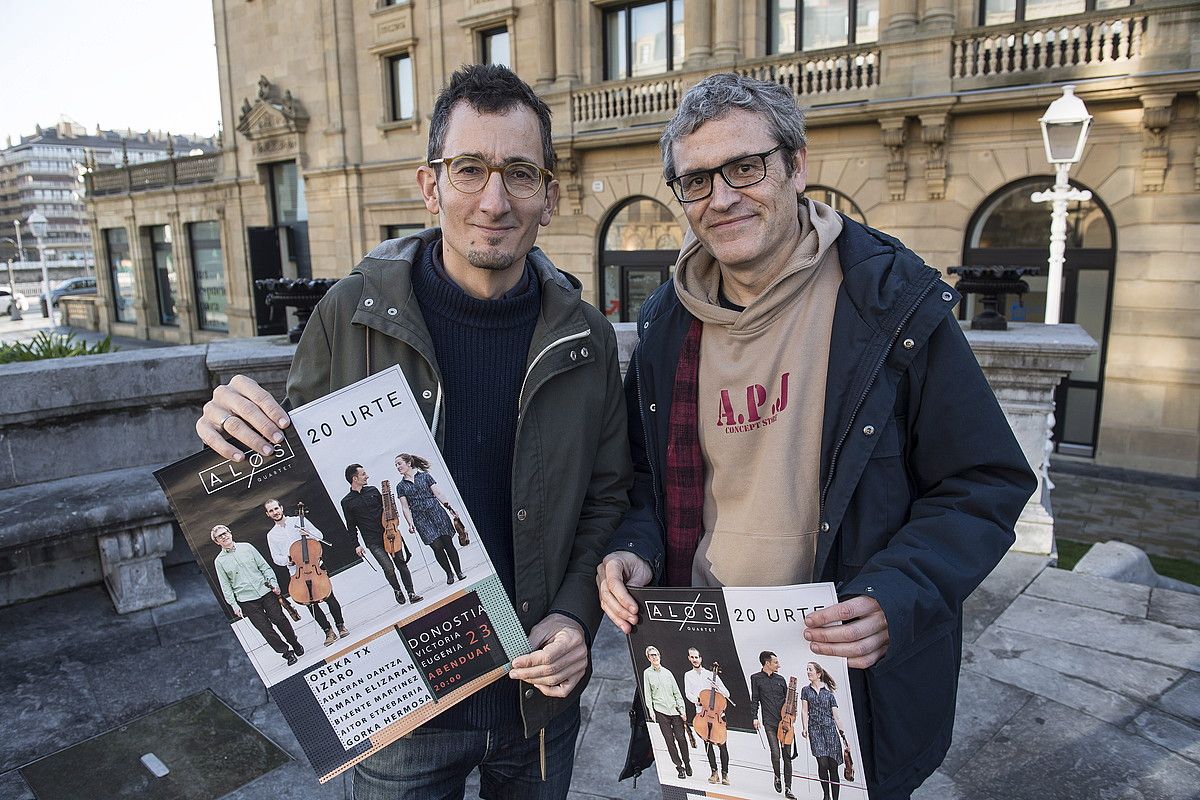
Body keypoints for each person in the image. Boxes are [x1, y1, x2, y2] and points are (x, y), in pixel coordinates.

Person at [195, 64, 630, 800]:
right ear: (430, 186)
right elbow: (289, 481)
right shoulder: (346, 314)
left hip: (537, 700)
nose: (494, 200)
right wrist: (233, 434)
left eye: (519, 174)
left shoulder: (586, 337)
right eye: (470, 169)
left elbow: (607, 497)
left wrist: (573, 614)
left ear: (549, 197)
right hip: (401, 709)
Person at [597, 72, 1037, 799]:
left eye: (746, 167)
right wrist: (633, 549)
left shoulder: (889, 302)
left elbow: (983, 482)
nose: (723, 197)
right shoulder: (666, 326)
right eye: (697, 180)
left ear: (797, 165)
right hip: (705, 655)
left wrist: (901, 595)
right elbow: (643, 479)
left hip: (840, 669)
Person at [210, 524, 304, 666]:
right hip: (246, 600)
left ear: (230, 533)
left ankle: (294, 642)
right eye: (220, 536)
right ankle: (286, 653)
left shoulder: (247, 547)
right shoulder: (219, 562)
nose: (224, 537)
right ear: (217, 542)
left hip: (265, 591)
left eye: (225, 533)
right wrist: (234, 605)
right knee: (265, 629)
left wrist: (274, 583)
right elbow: (225, 586)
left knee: (279, 619)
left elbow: (264, 566)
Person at [263, 497, 348, 648]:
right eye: (271, 511)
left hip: (315, 566)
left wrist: (307, 533)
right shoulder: (271, 535)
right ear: (268, 514)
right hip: (296, 572)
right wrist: (287, 559)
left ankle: (341, 626)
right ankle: (328, 631)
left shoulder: (298, 520)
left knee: (329, 597)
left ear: (281, 508)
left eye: (276, 508)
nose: (275, 512)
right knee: (310, 603)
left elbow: (319, 536)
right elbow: (276, 558)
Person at [341, 463, 423, 605]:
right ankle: (397, 590)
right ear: (355, 478)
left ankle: (411, 592)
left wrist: (394, 522)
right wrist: (356, 545)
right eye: (363, 474)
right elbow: (351, 526)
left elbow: (388, 509)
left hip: (390, 533)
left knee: (401, 563)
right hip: (373, 540)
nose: (367, 476)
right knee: (388, 568)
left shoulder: (373, 490)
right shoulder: (346, 502)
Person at [394, 453, 465, 585]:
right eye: (396, 465)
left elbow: (437, 492)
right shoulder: (400, 486)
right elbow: (405, 507)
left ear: (408, 463)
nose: (397, 467)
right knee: (436, 546)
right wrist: (410, 523)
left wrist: (450, 508)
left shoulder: (425, 476)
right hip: (420, 518)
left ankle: (459, 571)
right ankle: (449, 573)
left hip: (436, 511)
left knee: (447, 542)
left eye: (399, 463)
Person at [641, 646, 692, 781]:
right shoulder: (647, 673)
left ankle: (687, 762)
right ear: (648, 658)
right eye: (652, 655)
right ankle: (679, 767)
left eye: (656, 654)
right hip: (660, 711)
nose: (655, 657)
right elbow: (648, 694)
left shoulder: (668, 673)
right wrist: (651, 710)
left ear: (660, 655)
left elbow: (677, 693)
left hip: (674, 710)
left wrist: (682, 710)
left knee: (681, 738)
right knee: (669, 741)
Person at [682, 647, 731, 785]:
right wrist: (698, 700)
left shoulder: (710, 674)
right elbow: (688, 693)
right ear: (689, 658)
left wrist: (718, 687)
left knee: (722, 745)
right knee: (707, 744)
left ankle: (725, 774)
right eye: (691, 657)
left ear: (700, 658)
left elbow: (727, 694)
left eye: (696, 657)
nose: (694, 659)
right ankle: (714, 772)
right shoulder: (688, 675)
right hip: (702, 713)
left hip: (717, 714)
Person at [749, 651, 794, 797]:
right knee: (776, 753)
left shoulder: (781, 679)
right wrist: (754, 717)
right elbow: (755, 699)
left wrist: (791, 718)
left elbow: (789, 703)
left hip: (784, 723)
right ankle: (777, 776)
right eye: (775, 663)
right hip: (769, 722)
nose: (778, 665)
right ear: (767, 663)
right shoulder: (755, 678)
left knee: (787, 755)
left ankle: (788, 788)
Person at [802, 661, 846, 800]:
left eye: (810, 670)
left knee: (833, 766)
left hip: (830, 731)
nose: (808, 672)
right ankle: (826, 796)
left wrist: (843, 736)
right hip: (815, 731)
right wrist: (805, 727)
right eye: (807, 669)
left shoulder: (829, 694)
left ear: (818, 674)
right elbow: (804, 711)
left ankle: (835, 798)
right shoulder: (805, 690)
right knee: (822, 763)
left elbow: (836, 717)